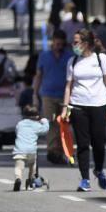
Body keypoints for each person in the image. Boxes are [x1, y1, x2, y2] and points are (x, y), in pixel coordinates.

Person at [63, 28, 106, 192]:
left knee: (99, 142)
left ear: (86, 44)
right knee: (83, 144)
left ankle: (98, 169)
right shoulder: (72, 61)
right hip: (78, 105)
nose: (73, 45)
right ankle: (85, 179)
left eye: (76, 42)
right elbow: (68, 87)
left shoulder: (101, 59)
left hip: (99, 105)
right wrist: (65, 108)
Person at [33, 29, 74, 164]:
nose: (59, 47)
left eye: (61, 44)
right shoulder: (44, 56)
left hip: (65, 96)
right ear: (53, 42)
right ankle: (52, 151)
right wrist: (35, 94)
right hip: (48, 95)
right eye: (57, 44)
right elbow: (39, 75)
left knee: (63, 123)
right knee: (50, 123)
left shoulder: (69, 56)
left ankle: (62, 151)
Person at [12, 105, 50, 191]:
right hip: (31, 151)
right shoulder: (36, 125)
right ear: (37, 116)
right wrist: (45, 121)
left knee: (19, 167)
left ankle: (18, 178)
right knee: (32, 167)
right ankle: (30, 181)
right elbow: (45, 130)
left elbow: (17, 131)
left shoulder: (20, 124)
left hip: (19, 150)